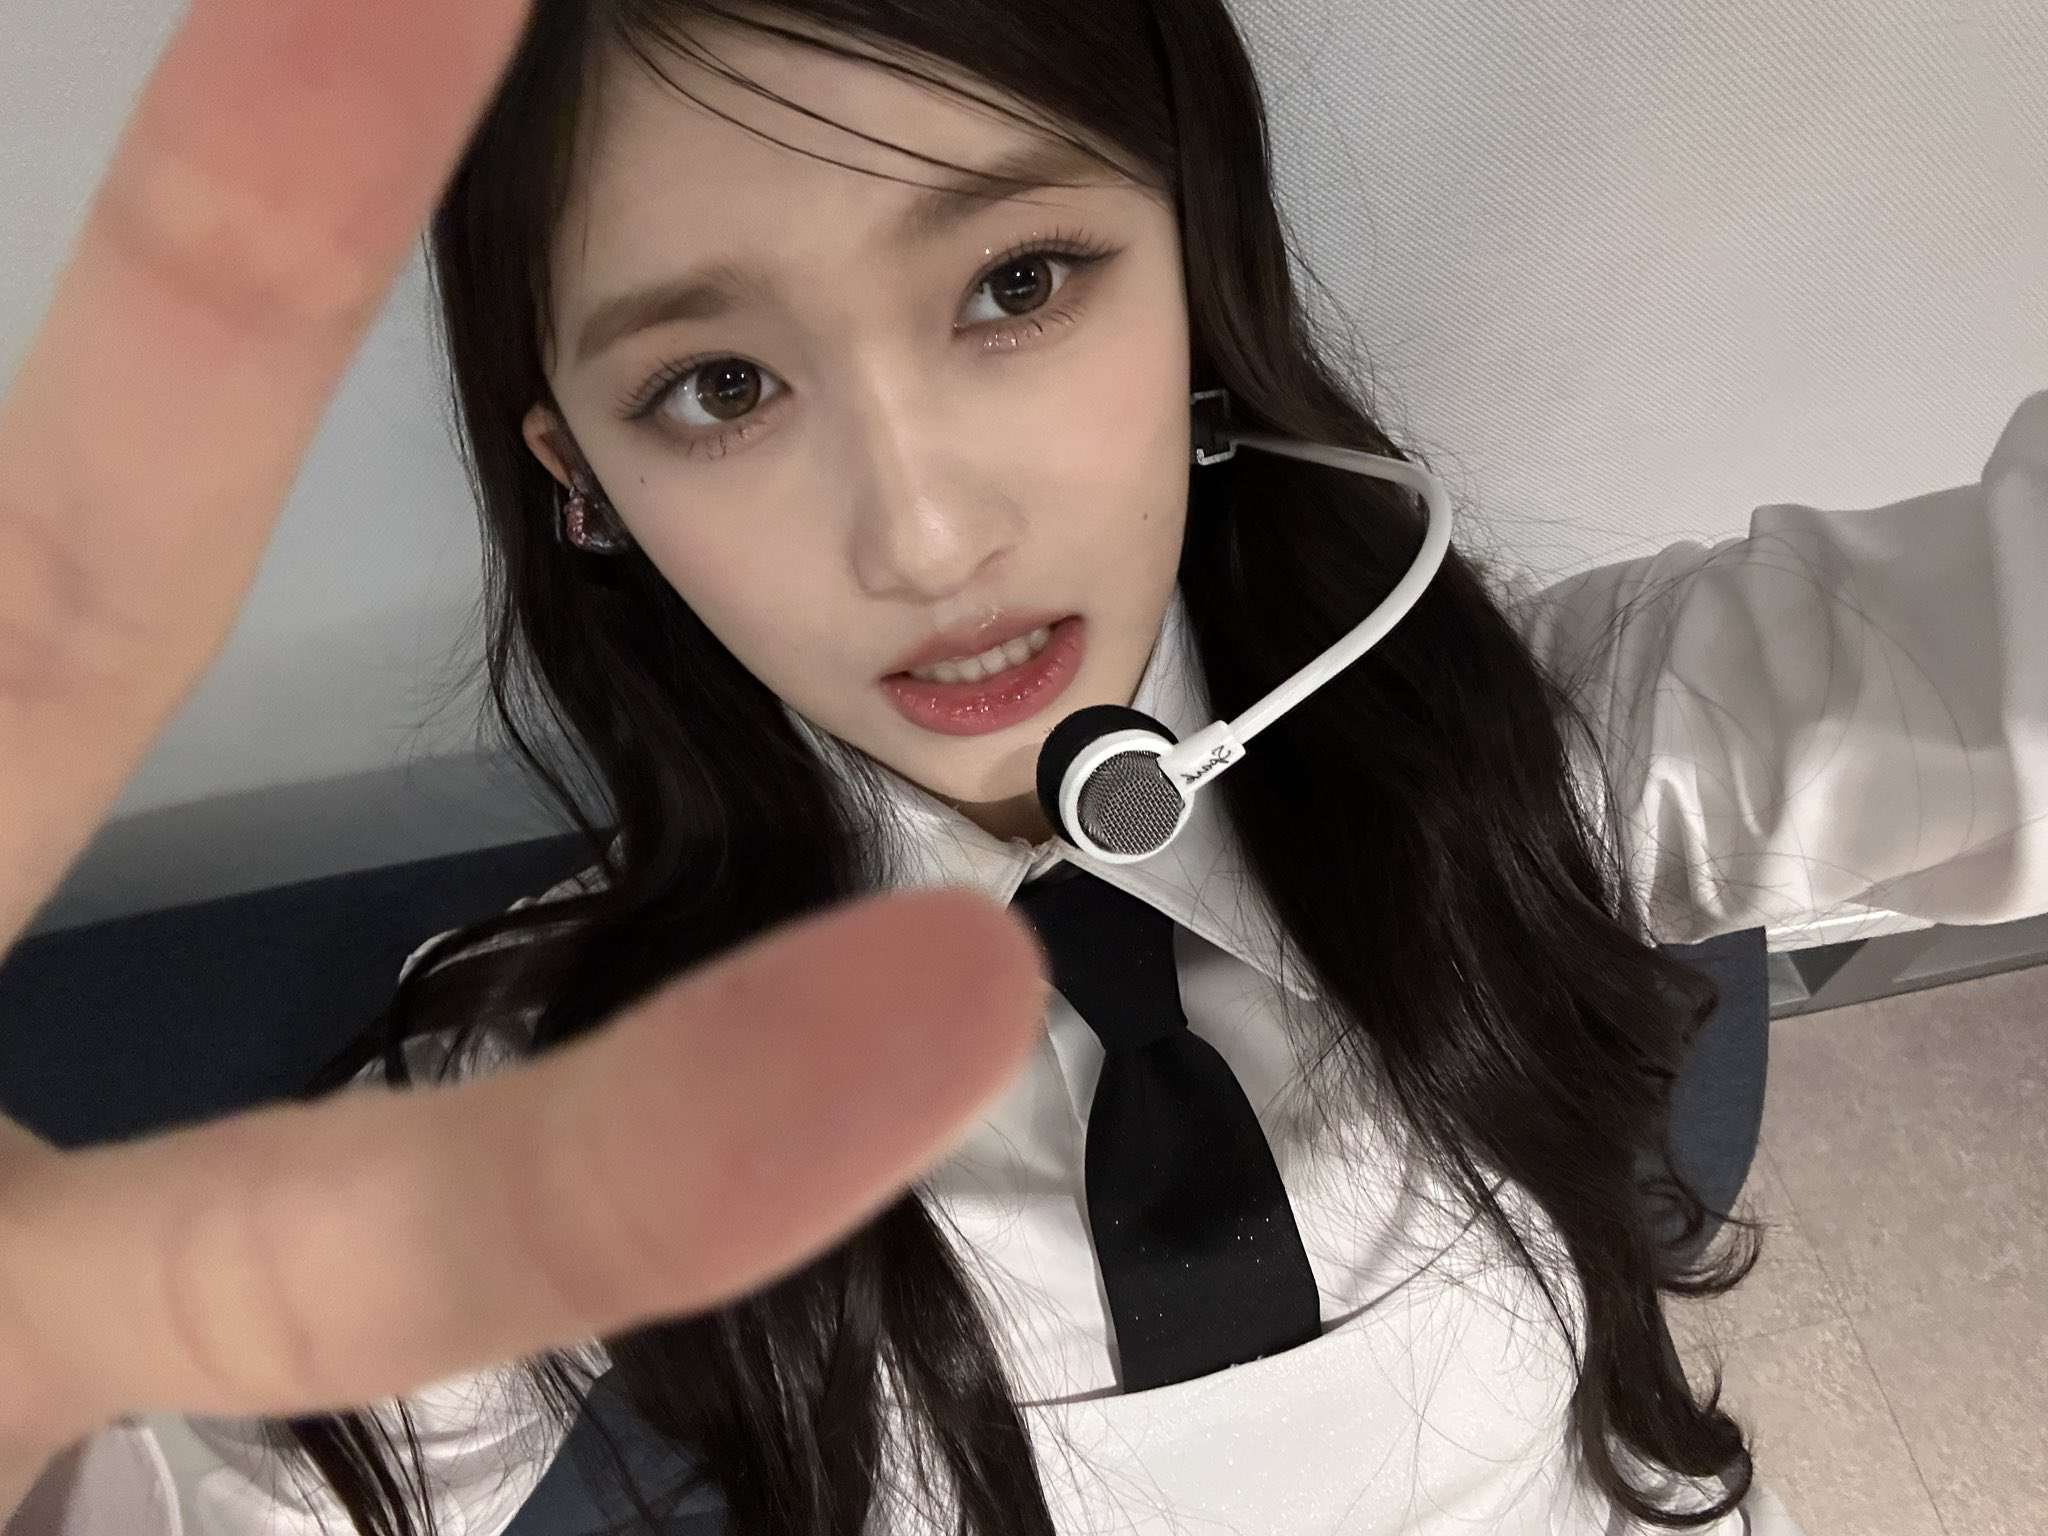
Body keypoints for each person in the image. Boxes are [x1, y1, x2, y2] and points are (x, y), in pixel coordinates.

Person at [4, 0, 2043, 1532]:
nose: (923, 537)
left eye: (1016, 284)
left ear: (1194, 273)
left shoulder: (1559, 752)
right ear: (584, 482)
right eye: (719, 385)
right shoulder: (576, 1091)